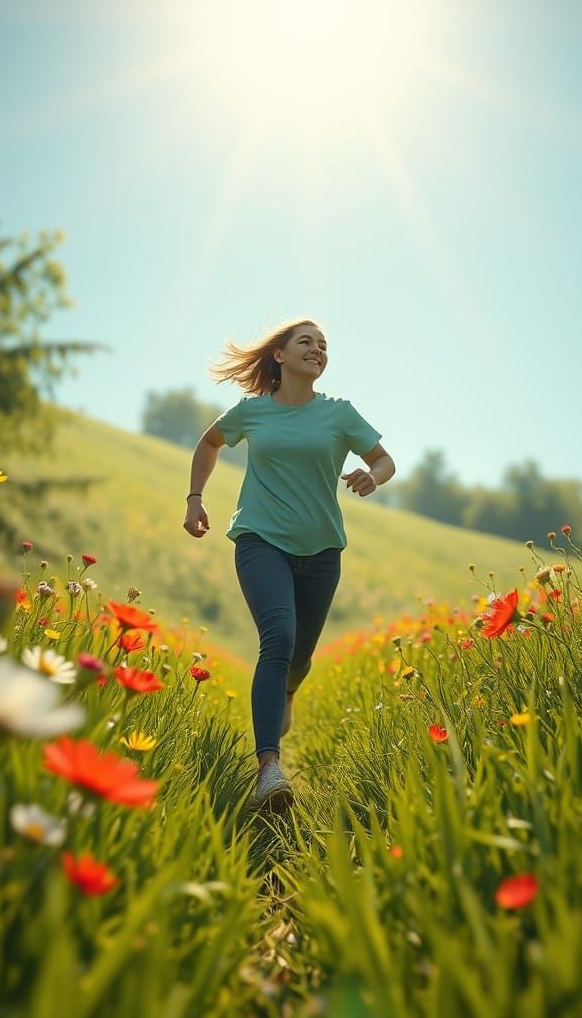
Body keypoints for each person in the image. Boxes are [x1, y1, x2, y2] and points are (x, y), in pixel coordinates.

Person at [182, 319, 395, 812]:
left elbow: (384, 459)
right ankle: (268, 771)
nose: (317, 350)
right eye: (306, 342)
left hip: (321, 552)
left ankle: (289, 690)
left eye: (323, 345)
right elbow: (208, 443)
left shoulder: (340, 414)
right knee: (277, 638)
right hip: (260, 541)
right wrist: (195, 499)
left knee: (297, 658)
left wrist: (372, 476)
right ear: (279, 355)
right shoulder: (252, 412)